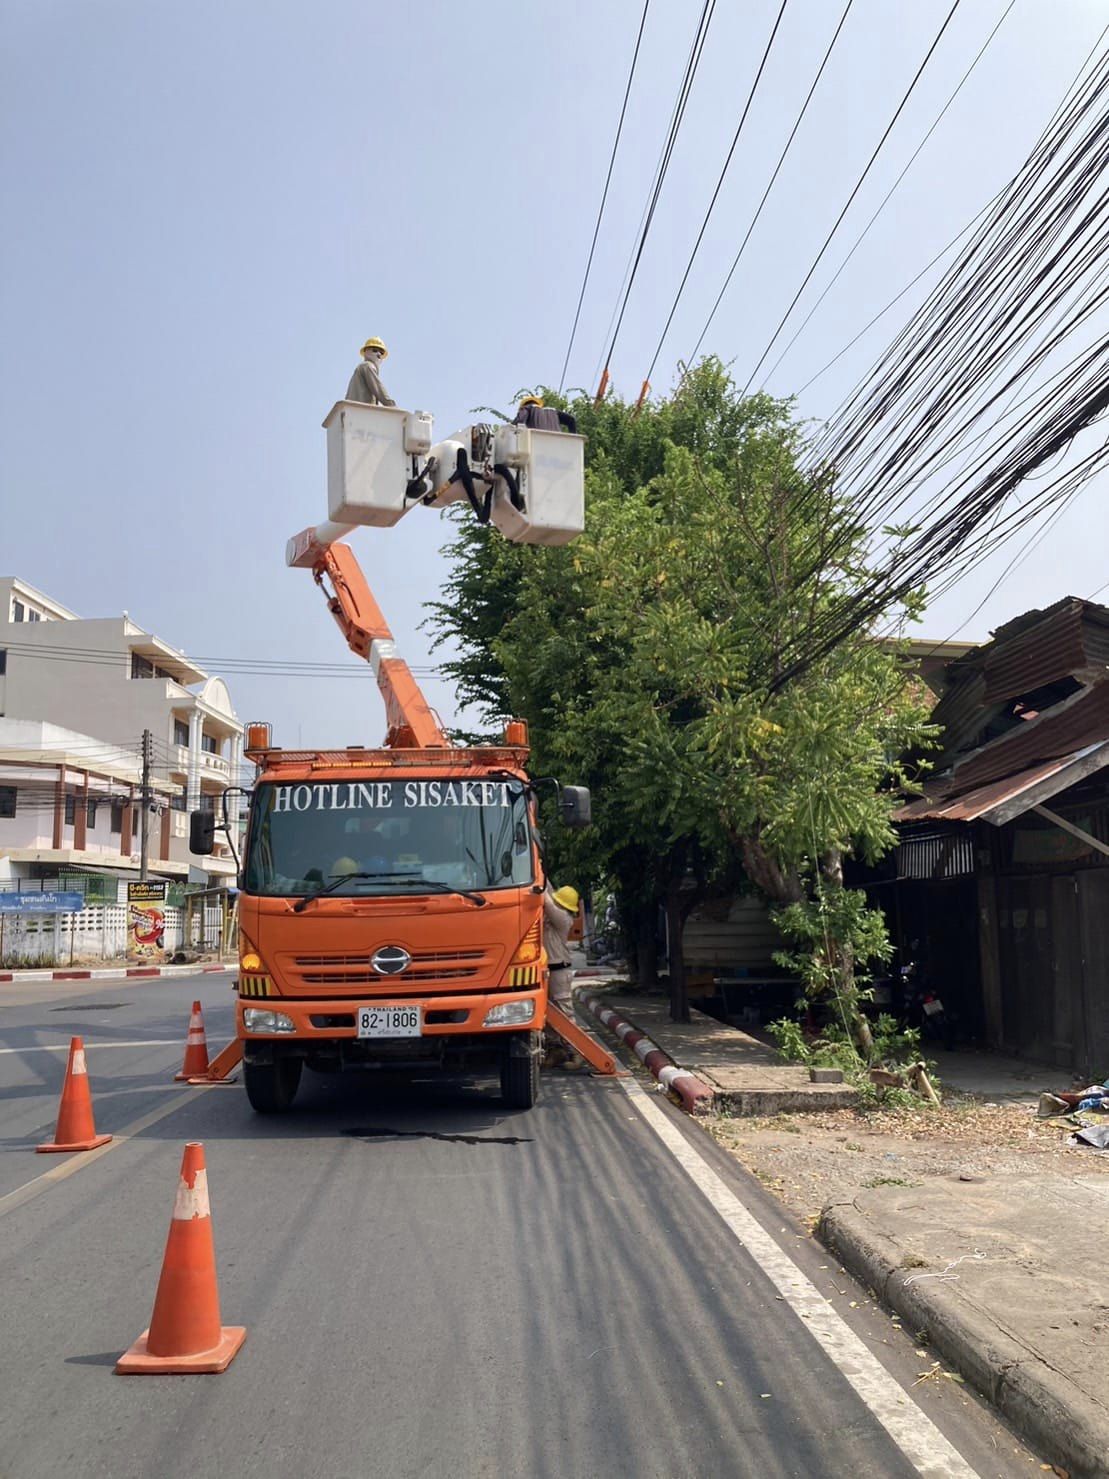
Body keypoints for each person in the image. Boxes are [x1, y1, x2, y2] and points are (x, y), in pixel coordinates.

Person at [543, 882, 583, 1070]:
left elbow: (546, 899)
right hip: (548, 971)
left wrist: (536, 880)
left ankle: (577, 1053)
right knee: (549, 1015)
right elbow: (548, 891)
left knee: (565, 1014)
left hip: (559, 971)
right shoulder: (554, 918)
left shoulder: (562, 918)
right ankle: (556, 1051)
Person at [346, 335, 395, 407]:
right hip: (361, 411)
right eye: (374, 350)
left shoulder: (361, 368)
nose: (378, 354)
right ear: (366, 352)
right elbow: (379, 389)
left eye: (381, 353)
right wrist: (392, 406)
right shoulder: (367, 366)